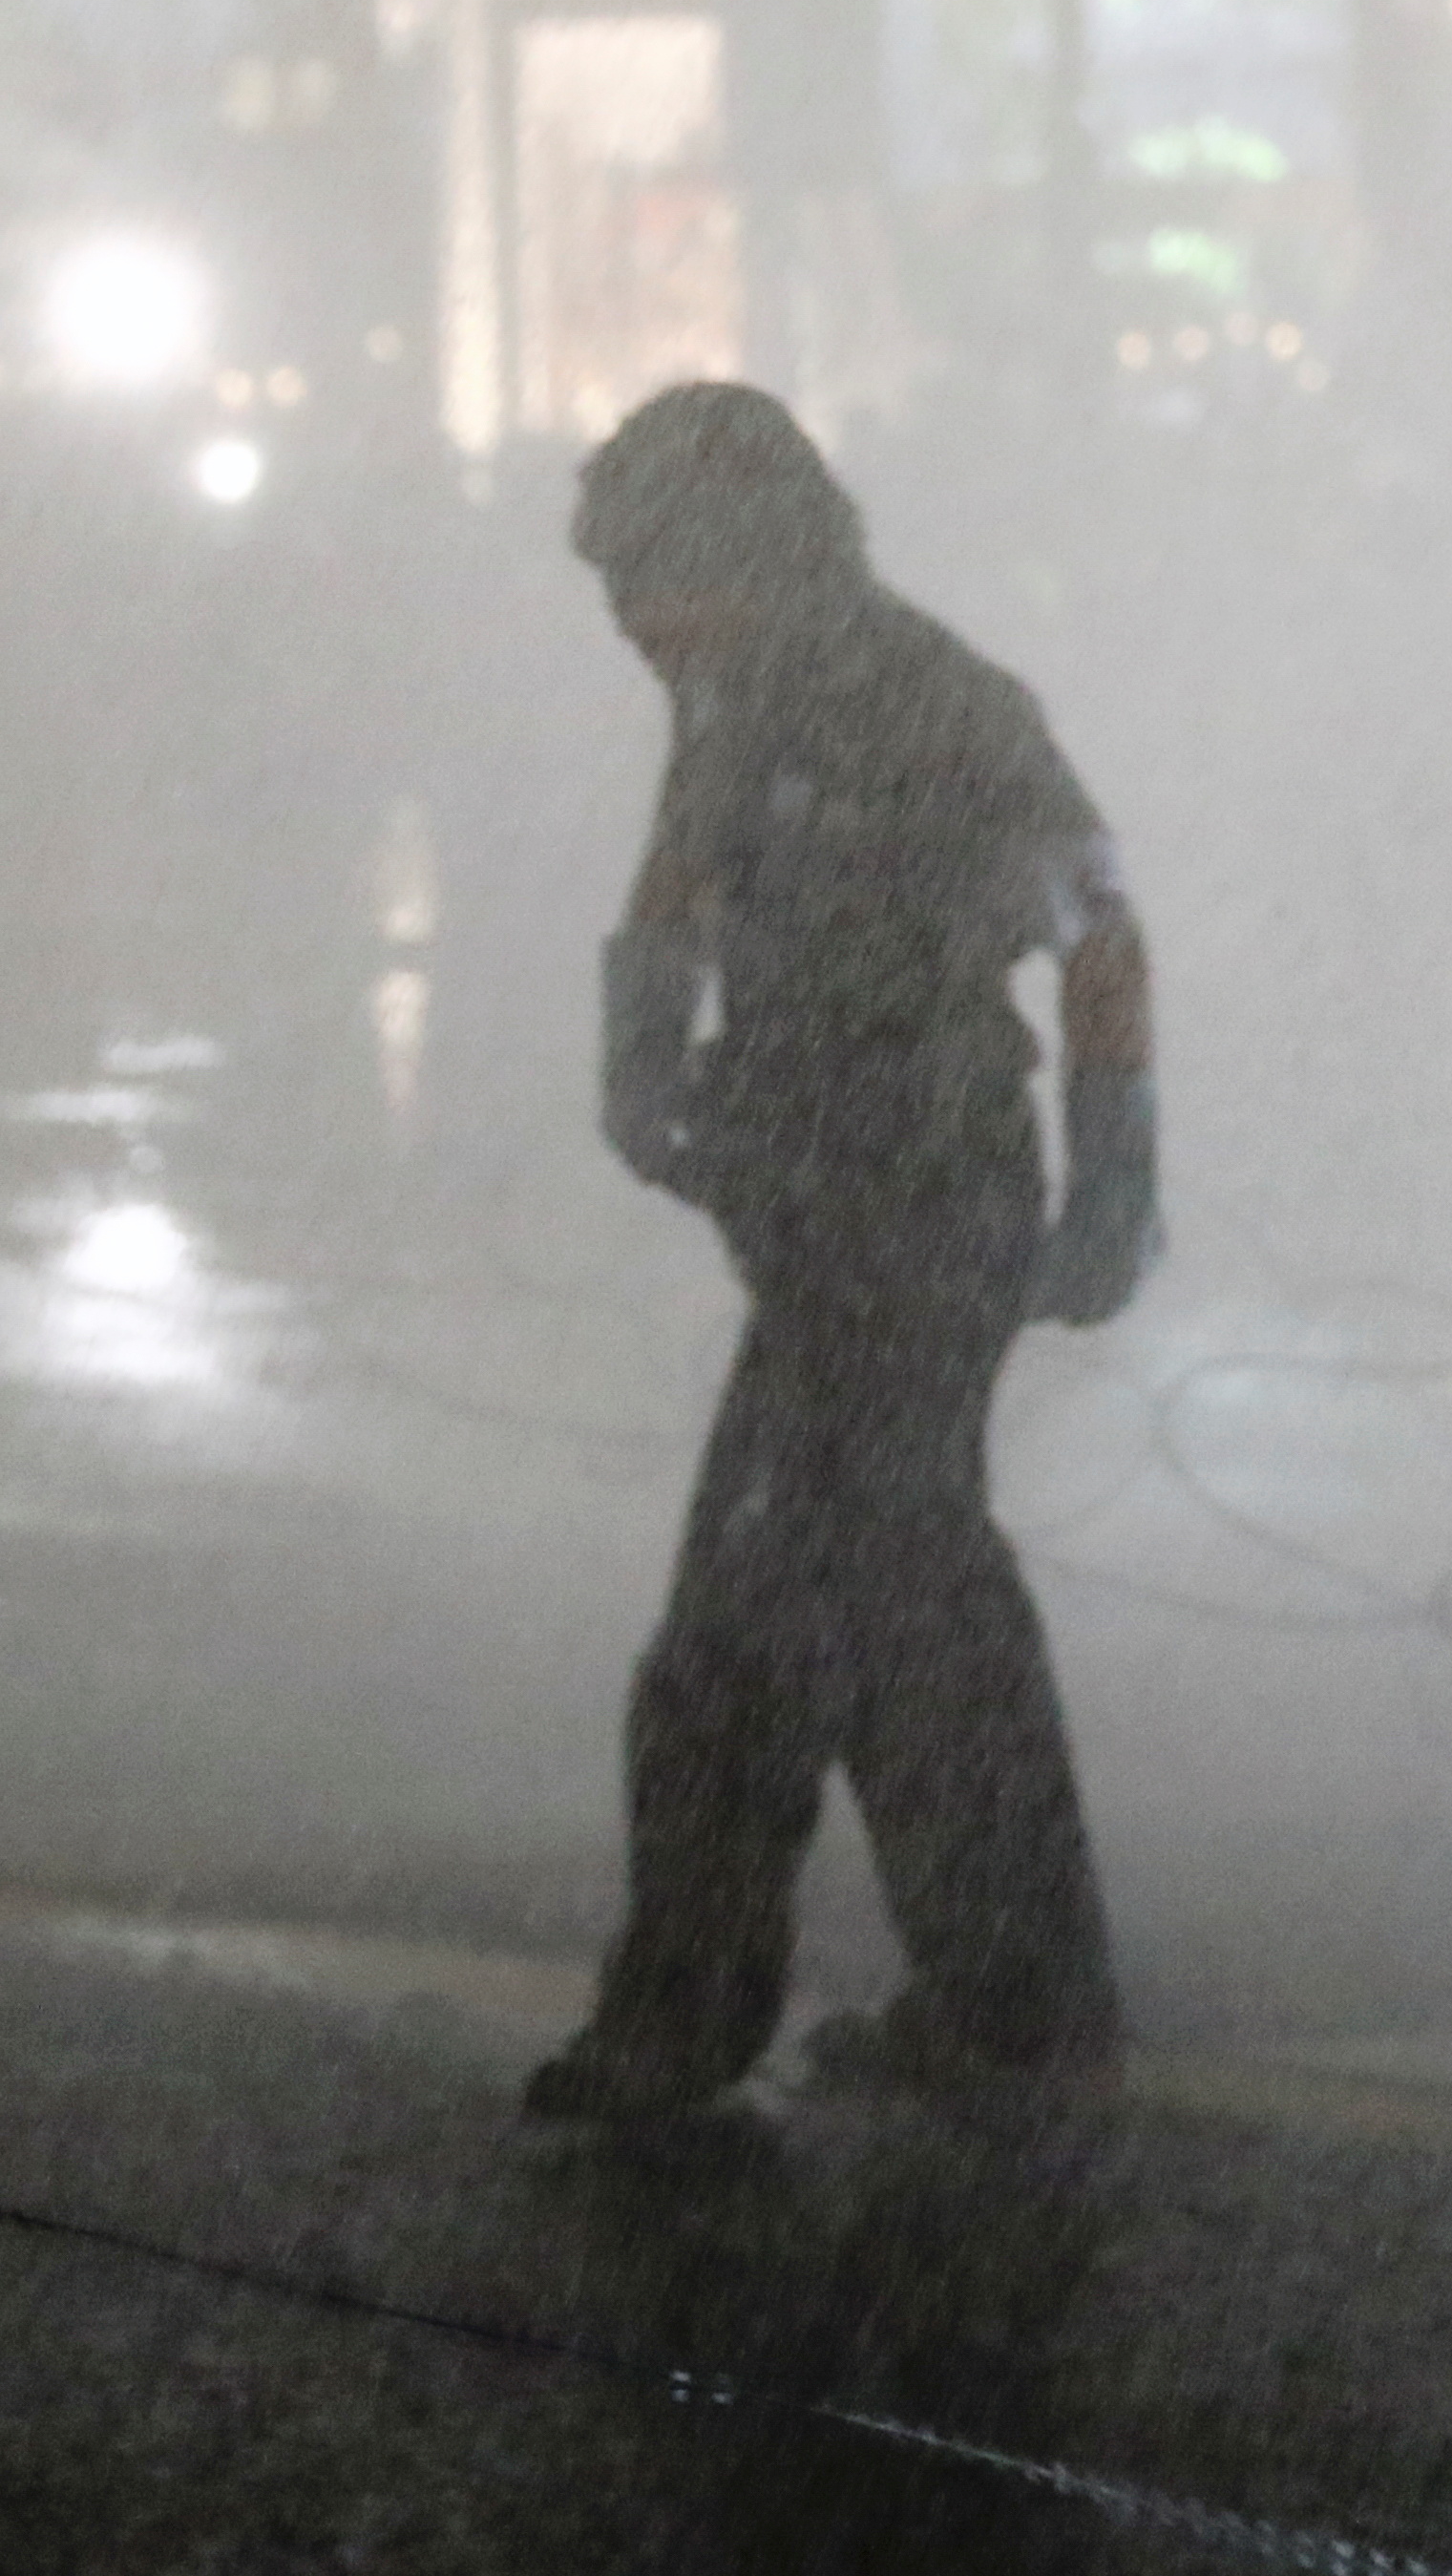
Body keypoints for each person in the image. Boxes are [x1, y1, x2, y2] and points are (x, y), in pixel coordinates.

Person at [525, 383, 1156, 2122]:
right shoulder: (736, 688)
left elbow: (1101, 931)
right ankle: (1013, 2015)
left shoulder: (936, 698)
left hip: (916, 1202)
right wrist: (643, 1045)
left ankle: (706, 2024)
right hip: (812, 1211)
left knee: (769, 1625)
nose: (634, 630)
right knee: (899, 1605)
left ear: (748, 553)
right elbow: (681, 868)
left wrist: (1116, 1168)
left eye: (651, 582)